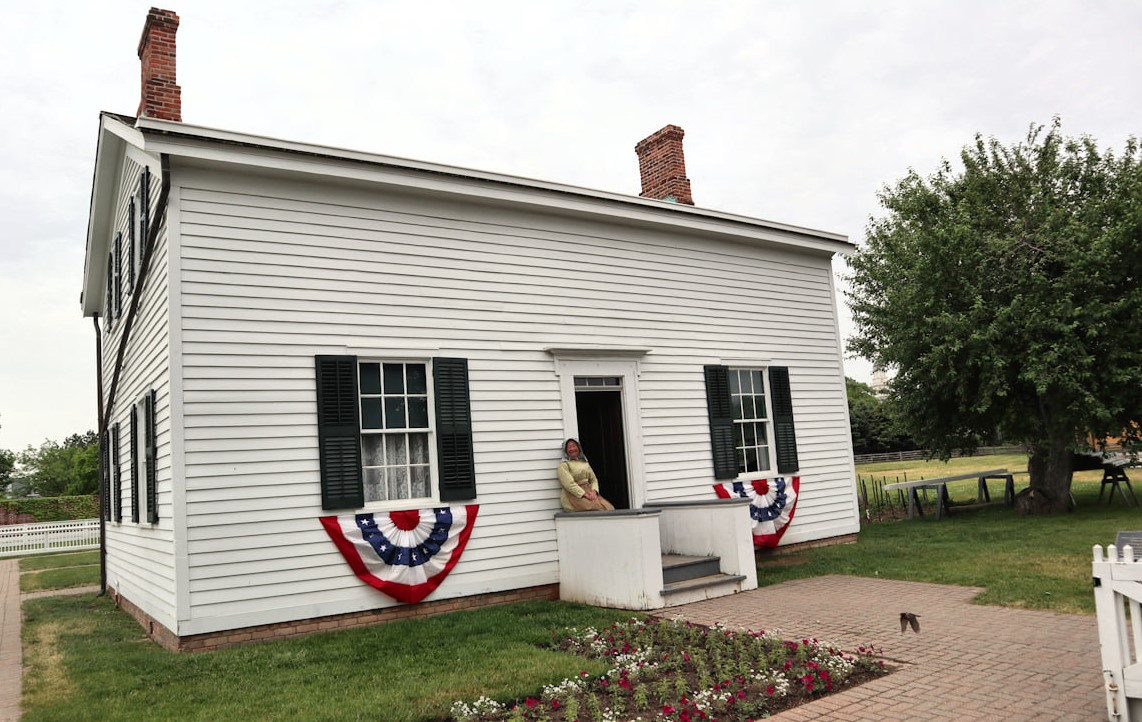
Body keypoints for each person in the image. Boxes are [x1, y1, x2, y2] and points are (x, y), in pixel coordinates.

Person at [557, 438, 615, 512]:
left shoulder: (584, 463)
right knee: (598, 509)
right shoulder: (564, 465)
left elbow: (593, 479)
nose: (572, 449)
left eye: (574, 446)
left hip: (589, 492)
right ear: (565, 450)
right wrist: (585, 494)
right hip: (574, 495)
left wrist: (594, 492)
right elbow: (569, 484)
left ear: (579, 448)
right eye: (569, 447)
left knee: (609, 507)